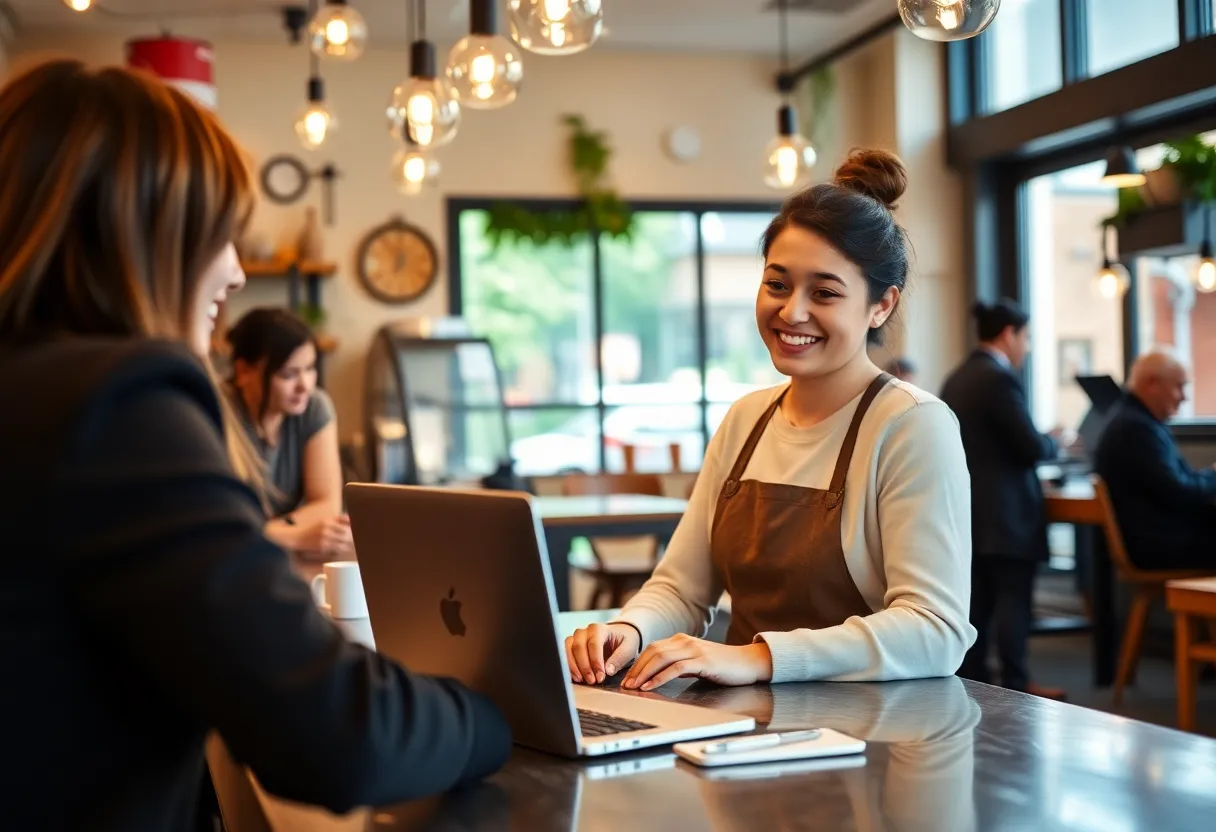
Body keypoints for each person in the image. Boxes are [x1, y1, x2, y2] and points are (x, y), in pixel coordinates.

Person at [0, 59, 509, 830]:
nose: (237, 273)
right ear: (138, 235)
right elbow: (338, 733)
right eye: (220, 236)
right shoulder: (117, 400)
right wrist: (488, 719)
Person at [565, 149, 975, 690]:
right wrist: (629, 630)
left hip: (870, 737)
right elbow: (682, 590)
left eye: (824, 292)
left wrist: (755, 659)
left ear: (881, 305)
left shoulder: (913, 425)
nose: (792, 311)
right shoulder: (746, 418)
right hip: (740, 731)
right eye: (777, 284)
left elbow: (934, 629)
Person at [940, 300, 1065, 698]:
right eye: (1025, 338)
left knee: (979, 607)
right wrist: (1055, 441)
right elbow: (1028, 445)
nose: (1026, 348)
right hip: (1007, 516)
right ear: (1008, 333)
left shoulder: (956, 378)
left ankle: (976, 683)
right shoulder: (998, 378)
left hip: (970, 515)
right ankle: (1016, 685)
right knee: (1014, 602)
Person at [225, 307, 354, 559]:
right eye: (288, 374)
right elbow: (222, 527)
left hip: (269, 558)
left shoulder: (314, 407)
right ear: (243, 372)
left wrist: (269, 533)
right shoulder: (218, 411)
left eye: (310, 369)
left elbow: (327, 504)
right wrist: (297, 537)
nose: (305, 385)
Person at [1094, 350, 1216, 569]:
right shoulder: (1135, 428)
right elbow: (1179, 492)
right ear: (1152, 383)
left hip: (1158, 536)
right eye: (1179, 386)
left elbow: (1176, 484)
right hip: (1159, 544)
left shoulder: (1134, 421)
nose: (1184, 397)